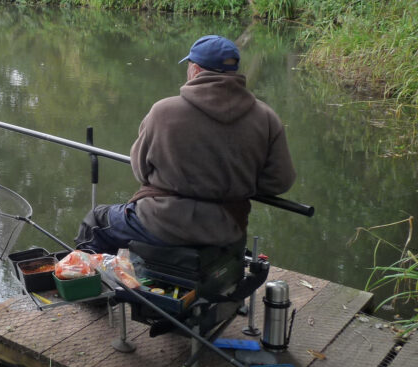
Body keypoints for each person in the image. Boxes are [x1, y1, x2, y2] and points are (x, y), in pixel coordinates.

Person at [75, 35, 296, 252]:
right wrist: (236, 182)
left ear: (196, 70)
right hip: (228, 228)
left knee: (96, 222)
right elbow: (279, 182)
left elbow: (141, 171)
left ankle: (89, 280)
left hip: (162, 223)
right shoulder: (266, 117)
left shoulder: (163, 112)